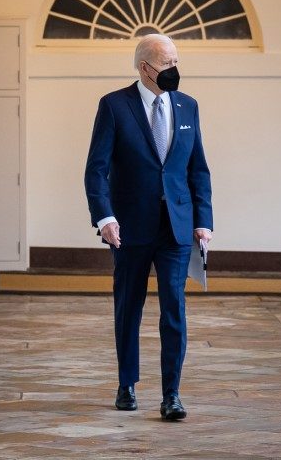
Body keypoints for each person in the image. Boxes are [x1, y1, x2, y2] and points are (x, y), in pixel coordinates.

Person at [84, 34, 213, 421]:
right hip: (128, 228)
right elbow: (96, 170)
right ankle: (127, 383)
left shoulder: (188, 106)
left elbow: (198, 169)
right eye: (167, 63)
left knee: (174, 308)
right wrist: (105, 217)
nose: (175, 69)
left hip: (176, 227)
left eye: (176, 61)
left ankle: (171, 394)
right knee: (129, 307)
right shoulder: (114, 106)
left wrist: (203, 221)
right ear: (145, 67)